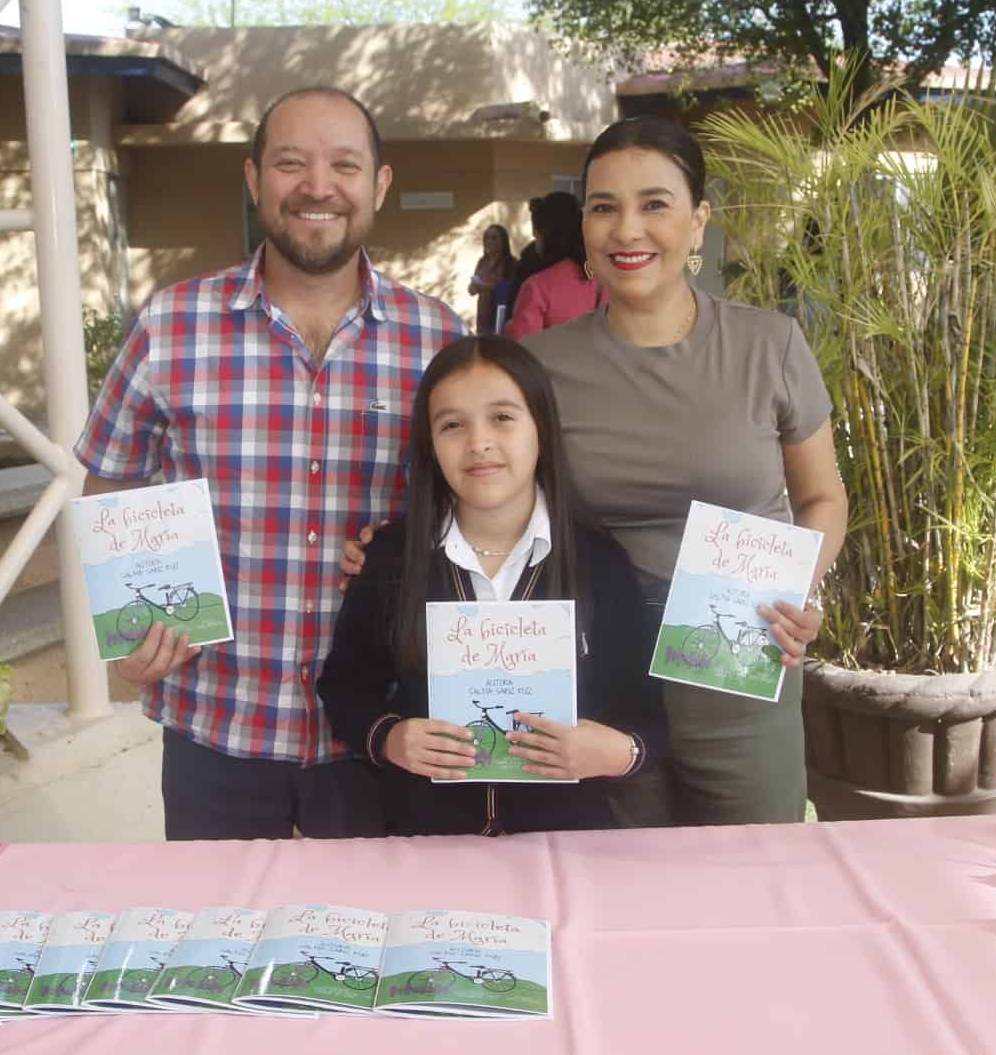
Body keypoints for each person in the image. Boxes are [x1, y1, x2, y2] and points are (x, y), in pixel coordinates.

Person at [74, 86, 465, 841]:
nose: (317, 186)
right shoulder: (171, 326)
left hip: (381, 733)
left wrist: (405, 544)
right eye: (291, 163)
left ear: (378, 186)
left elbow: (474, 503)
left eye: (344, 165)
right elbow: (111, 480)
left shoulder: (438, 339)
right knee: (222, 949)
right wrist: (132, 636)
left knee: (372, 952)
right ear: (254, 180)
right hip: (216, 730)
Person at [525, 117, 848, 826]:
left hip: (738, 655)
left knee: (751, 878)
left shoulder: (770, 344)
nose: (626, 229)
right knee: (621, 889)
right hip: (599, 666)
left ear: (699, 222)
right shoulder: (541, 368)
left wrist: (799, 590)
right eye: (603, 207)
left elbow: (822, 497)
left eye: (655, 204)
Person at [318, 335, 666, 836]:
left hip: (565, 844)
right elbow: (345, 688)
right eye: (452, 425)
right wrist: (390, 738)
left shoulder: (599, 562)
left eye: (502, 417)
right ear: (430, 445)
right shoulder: (393, 557)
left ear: (541, 427)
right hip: (426, 843)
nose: (478, 442)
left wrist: (617, 753)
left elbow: (649, 719)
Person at [504, 191, 600, 339]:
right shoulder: (606, 277)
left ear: (543, 234)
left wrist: (510, 328)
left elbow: (524, 350)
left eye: (535, 236)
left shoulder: (537, 287)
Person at [467, 224, 518, 333]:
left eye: (494, 237)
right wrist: (473, 288)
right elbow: (472, 289)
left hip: (502, 317)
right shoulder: (482, 262)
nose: (490, 241)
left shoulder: (512, 263)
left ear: (503, 240)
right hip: (483, 319)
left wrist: (488, 287)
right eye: (487, 237)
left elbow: (514, 289)